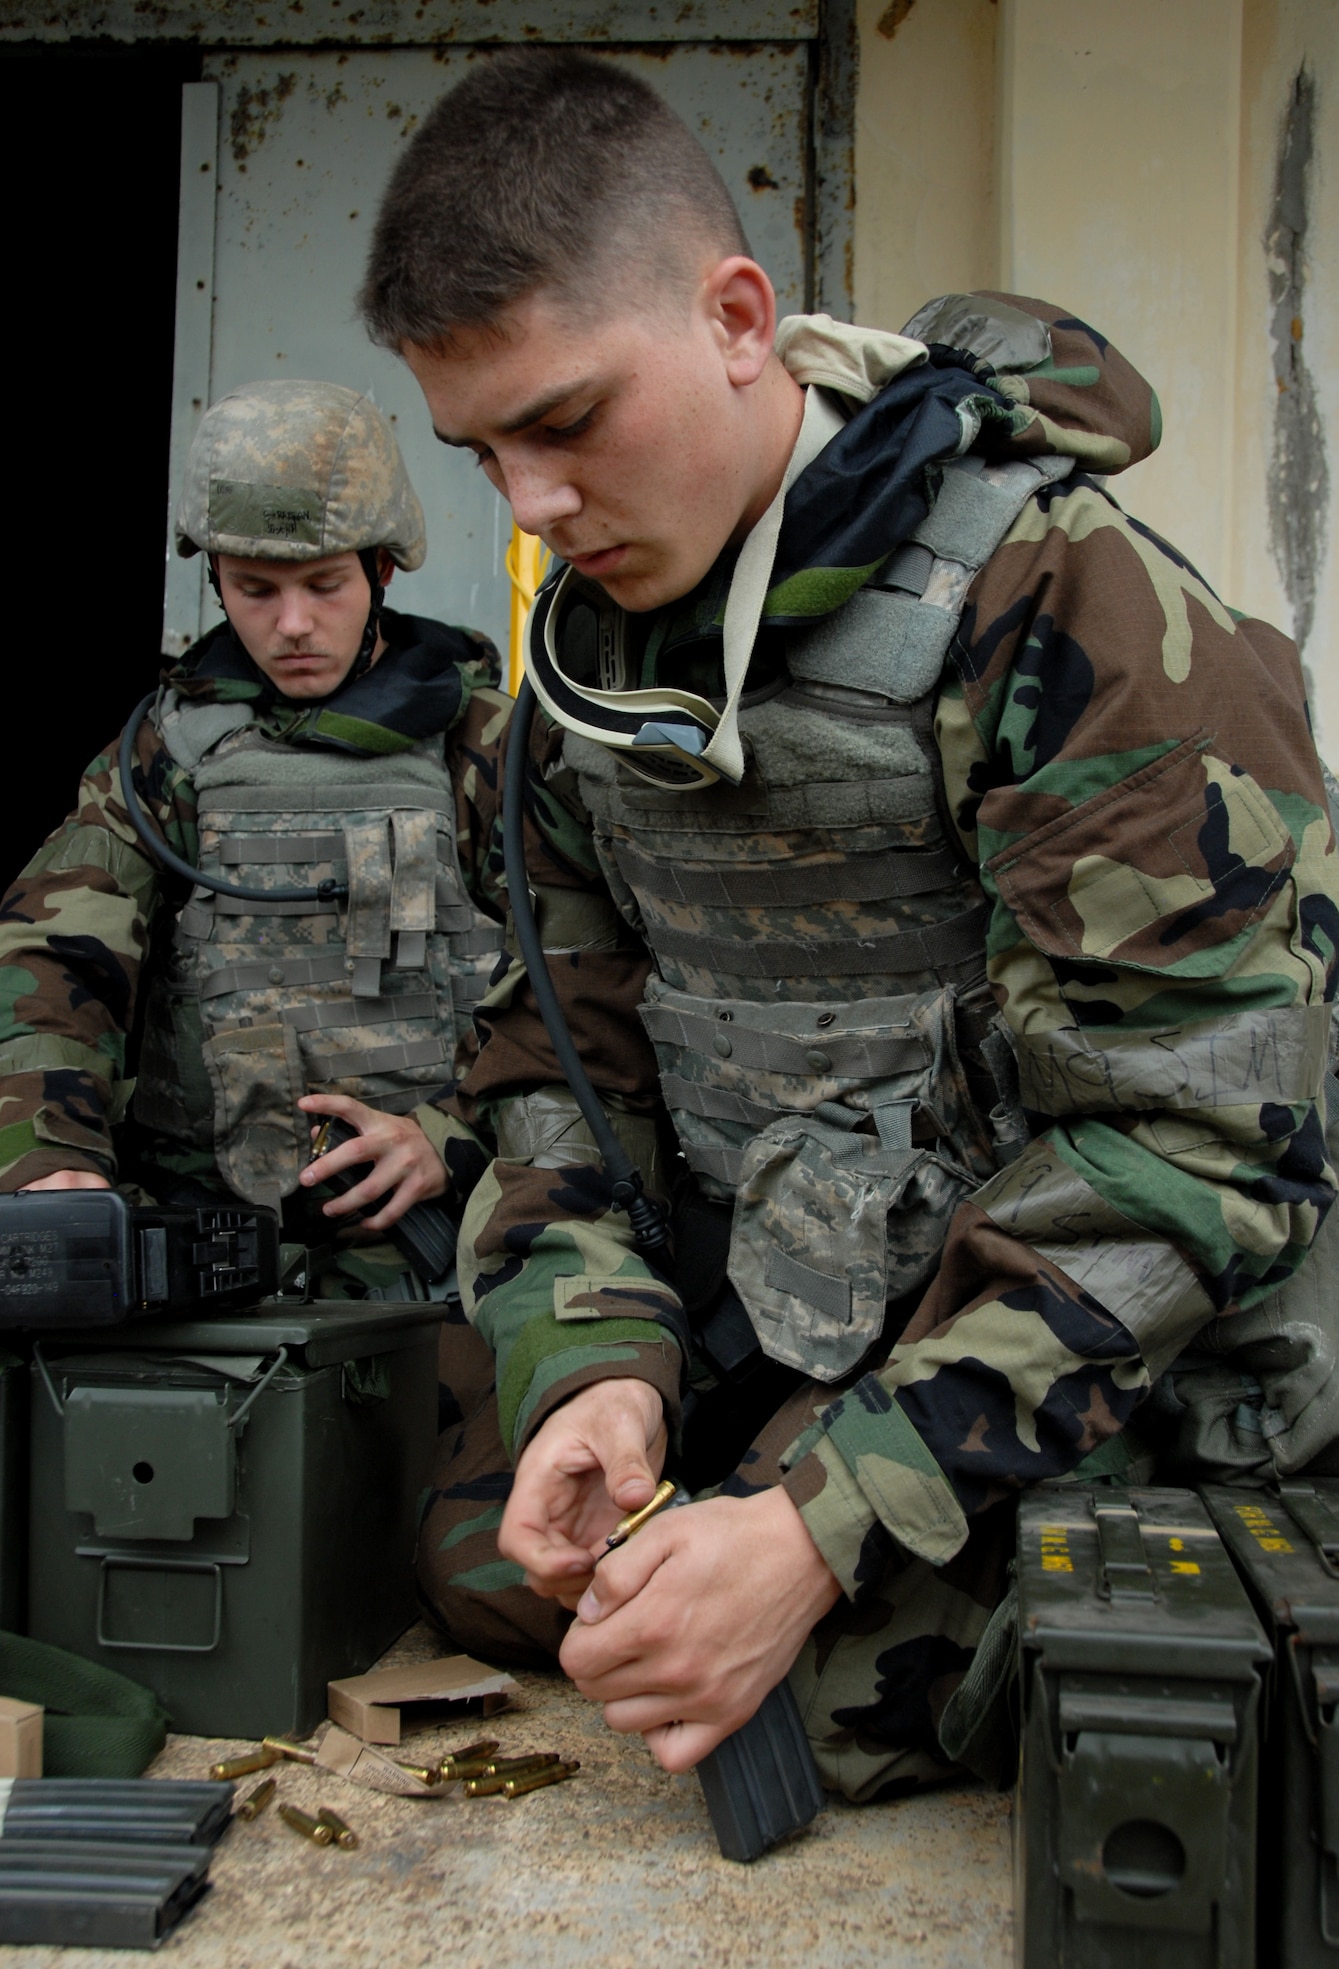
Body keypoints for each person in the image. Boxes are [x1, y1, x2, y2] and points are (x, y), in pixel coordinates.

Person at [359, 48, 1339, 1798]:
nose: (521, 509)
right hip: (793, 1295)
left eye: (566, 422)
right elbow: (547, 1068)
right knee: (510, 1562)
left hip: (1088, 1325)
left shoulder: (1064, 602)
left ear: (737, 318)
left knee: (796, 1695)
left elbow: (1199, 1149)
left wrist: (818, 1521)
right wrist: (597, 1366)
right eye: (479, 449)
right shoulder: (584, 672)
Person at [0, 380, 507, 1295]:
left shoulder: (481, 743)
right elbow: (54, 952)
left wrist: (449, 1135)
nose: (294, 626)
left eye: (324, 584)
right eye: (255, 589)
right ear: (214, 579)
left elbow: (586, 982)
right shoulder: (168, 748)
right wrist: (49, 1155)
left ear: (381, 572)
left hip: (445, 1241)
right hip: (214, 1242)